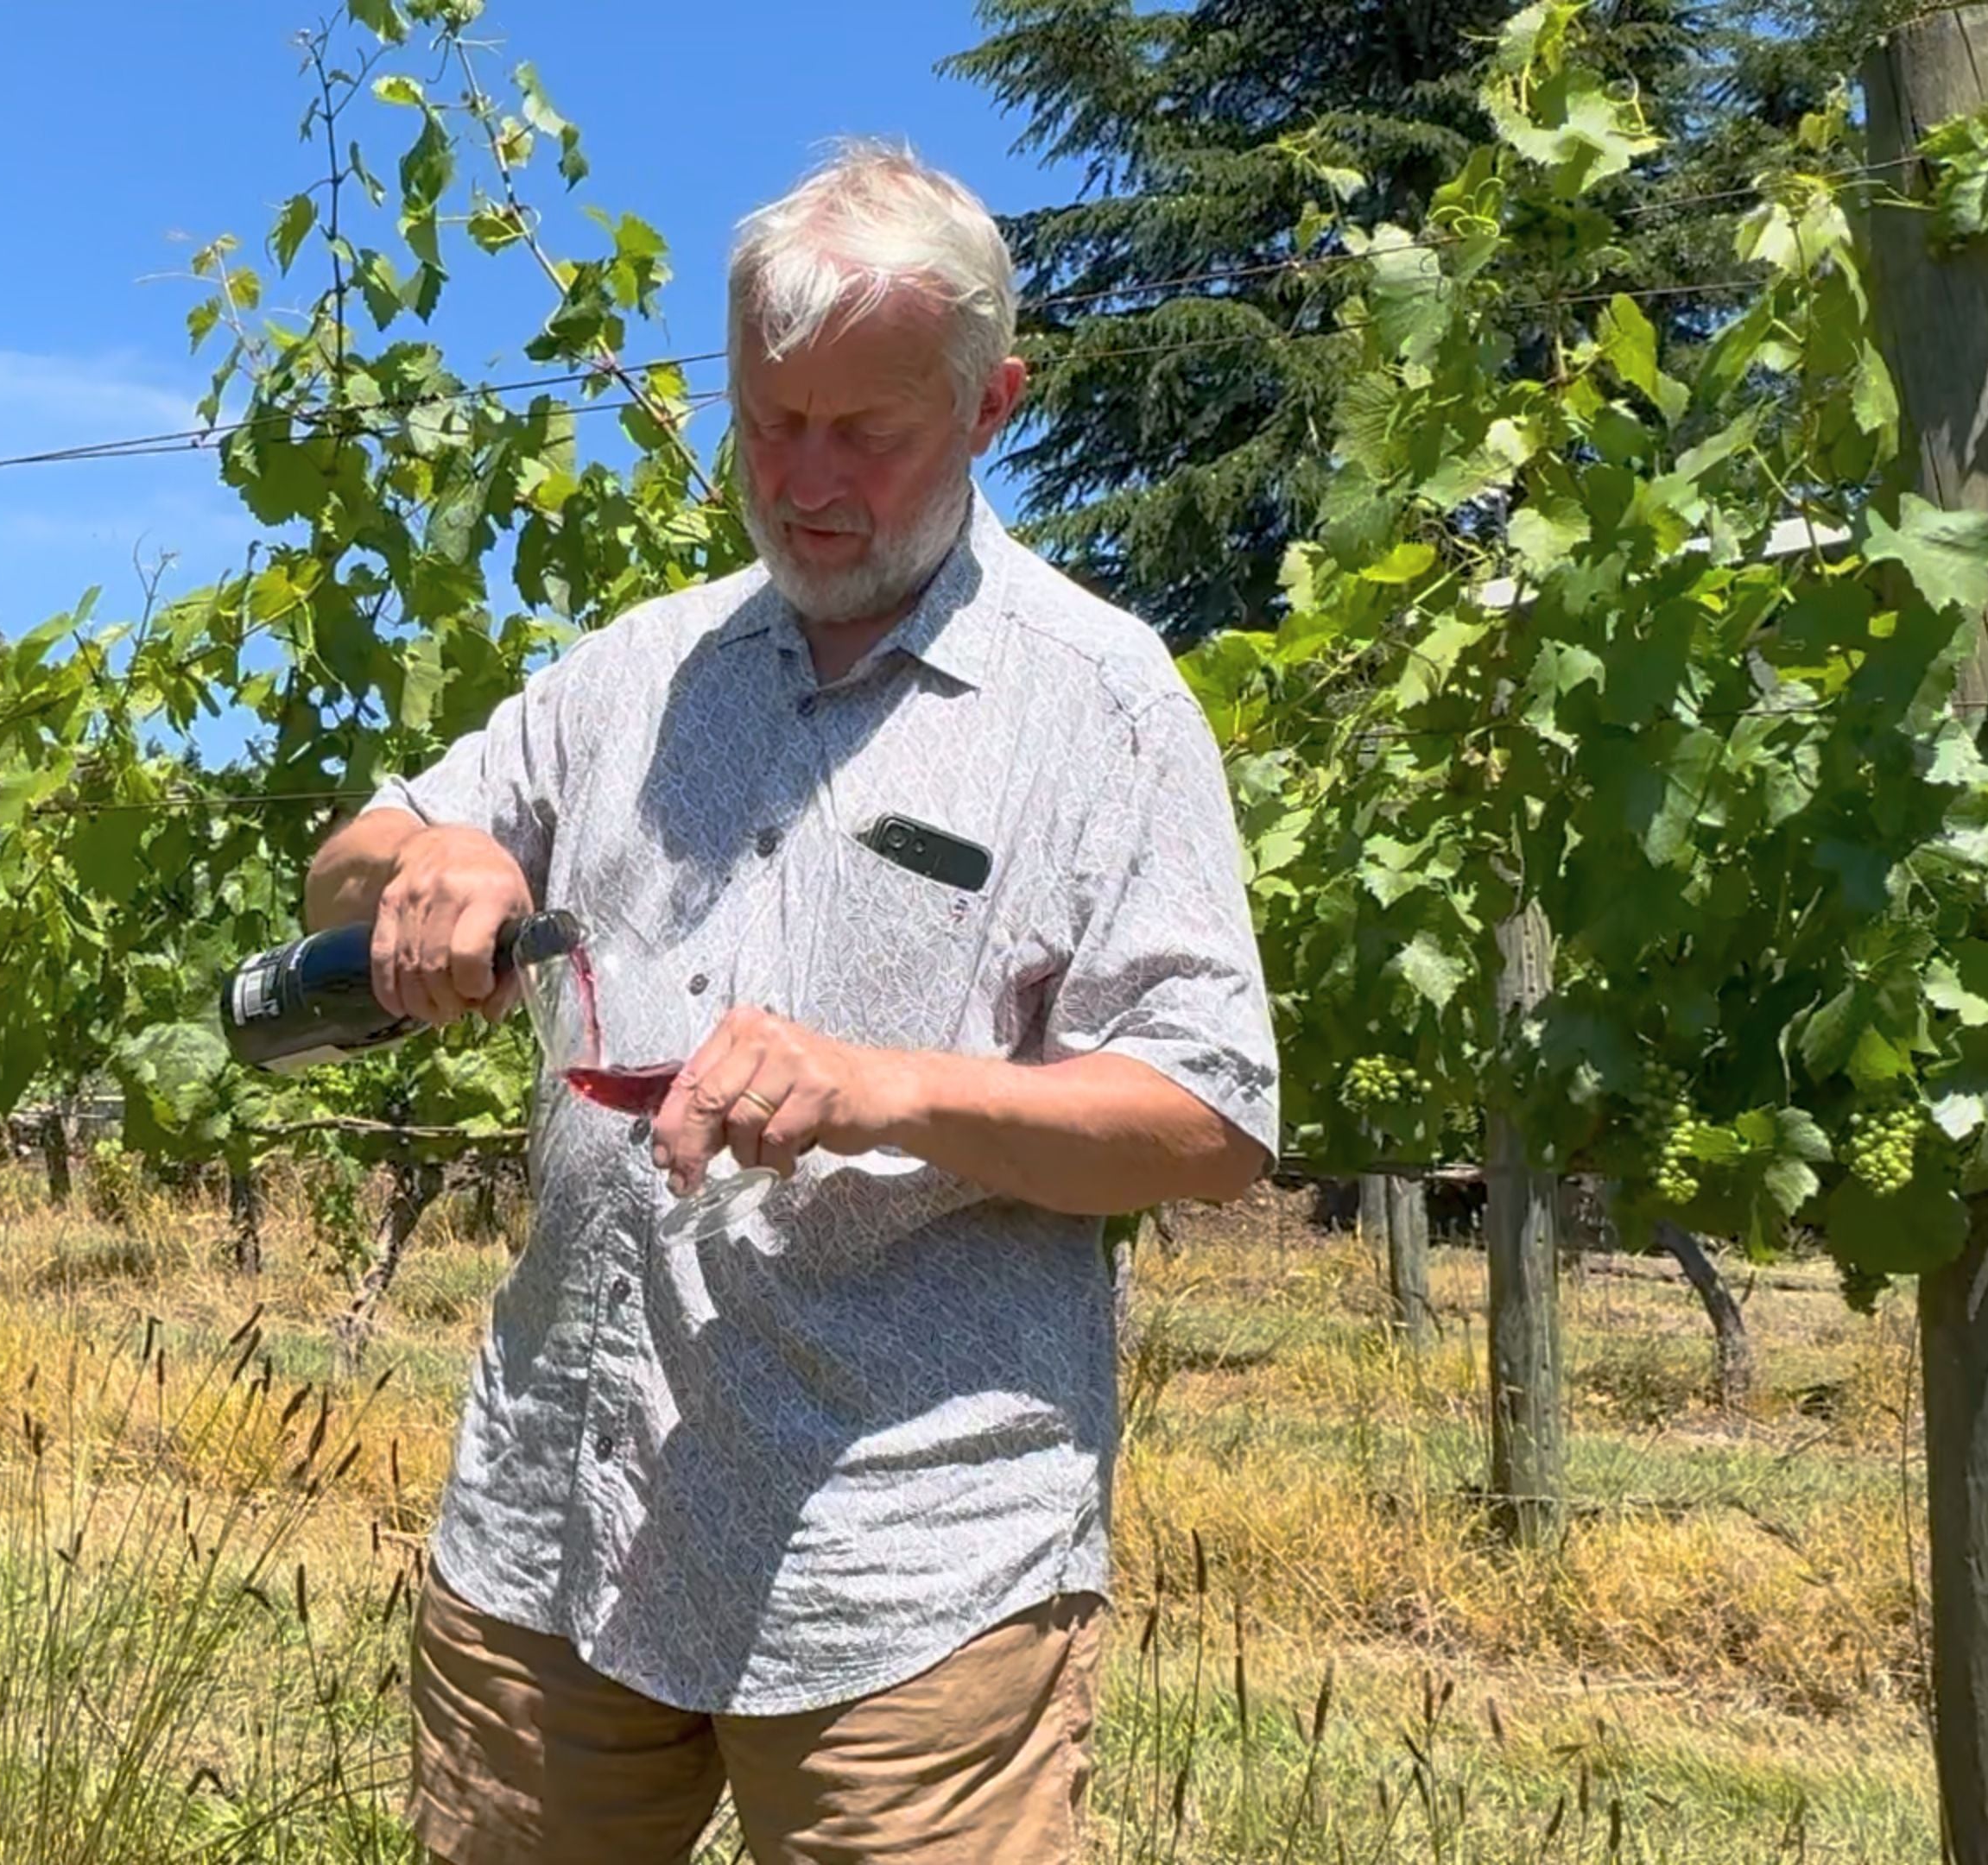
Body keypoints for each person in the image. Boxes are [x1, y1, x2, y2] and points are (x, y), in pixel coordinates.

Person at [302, 138, 1279, 1864]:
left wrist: (881, 1091)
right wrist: (432, 862)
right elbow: (354, 864)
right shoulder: (636, 670)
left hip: (898, 1585)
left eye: (866, 433)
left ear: (992, 409)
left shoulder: (1100, 705)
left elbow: (1207, 1121)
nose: (804, 479)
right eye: (768, 421)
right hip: (556, 1529)